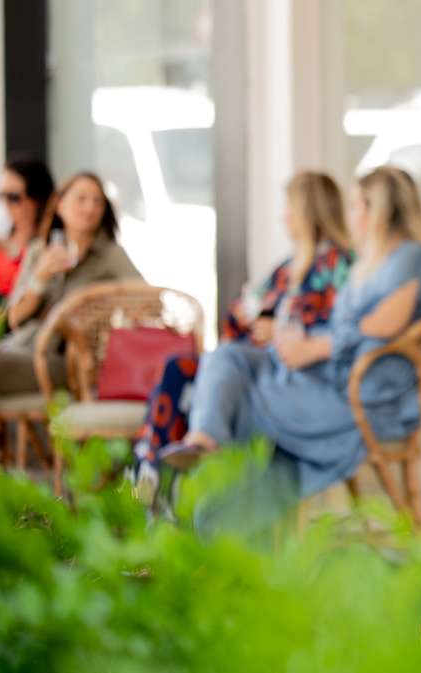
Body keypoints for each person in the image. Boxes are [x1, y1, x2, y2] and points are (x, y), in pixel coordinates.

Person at [160, 167, 421, 501]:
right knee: (227, 359)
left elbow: (384, 325)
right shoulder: (372, 264)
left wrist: (316, 348)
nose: (349, 216)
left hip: (364, 400)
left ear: (378, 211)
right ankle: (204, 444)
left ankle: (209, 486)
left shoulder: (412, 258)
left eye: (355, 206)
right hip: (336, 381)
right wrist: (301, 342)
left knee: (236, 391)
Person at [136, 171, 356, 490]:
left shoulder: (339, 265)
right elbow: (241, 319)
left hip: (289, 373)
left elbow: (339, 330)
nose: (284, 215)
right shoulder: (287, 268)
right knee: (178, 370)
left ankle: (161, 481)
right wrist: (246, 318)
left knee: (192, 379)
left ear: (308, 211)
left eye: (290, 206)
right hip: (249, 359)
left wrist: (276, 329)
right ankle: (161, 473)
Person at [0, 172, 142, 415]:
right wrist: (39, 280)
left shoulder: (111, 256)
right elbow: (14, 319)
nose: (89, 207)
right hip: (20, 348)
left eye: (97, 201)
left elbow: (147, 301)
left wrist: (102, 311)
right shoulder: (40, 251)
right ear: (60, 205)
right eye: (81, 199)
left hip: (66, 362)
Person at [0, 159, 56, 335]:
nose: (5, 204)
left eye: (13, 197)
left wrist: (9, 248)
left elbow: (27, 291)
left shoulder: (41, 250)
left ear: (37, 200)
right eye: (1, 196)